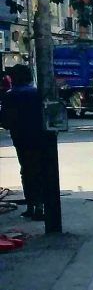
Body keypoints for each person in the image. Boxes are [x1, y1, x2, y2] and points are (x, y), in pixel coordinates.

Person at [0, 65, 45, 220]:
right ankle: (41, 206)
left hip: (22, 139)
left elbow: (5, 121)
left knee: (27, 171)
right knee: (42, 171)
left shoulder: (10, 95)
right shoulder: (38, 93)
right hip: (41, 138)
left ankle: (32, 206)